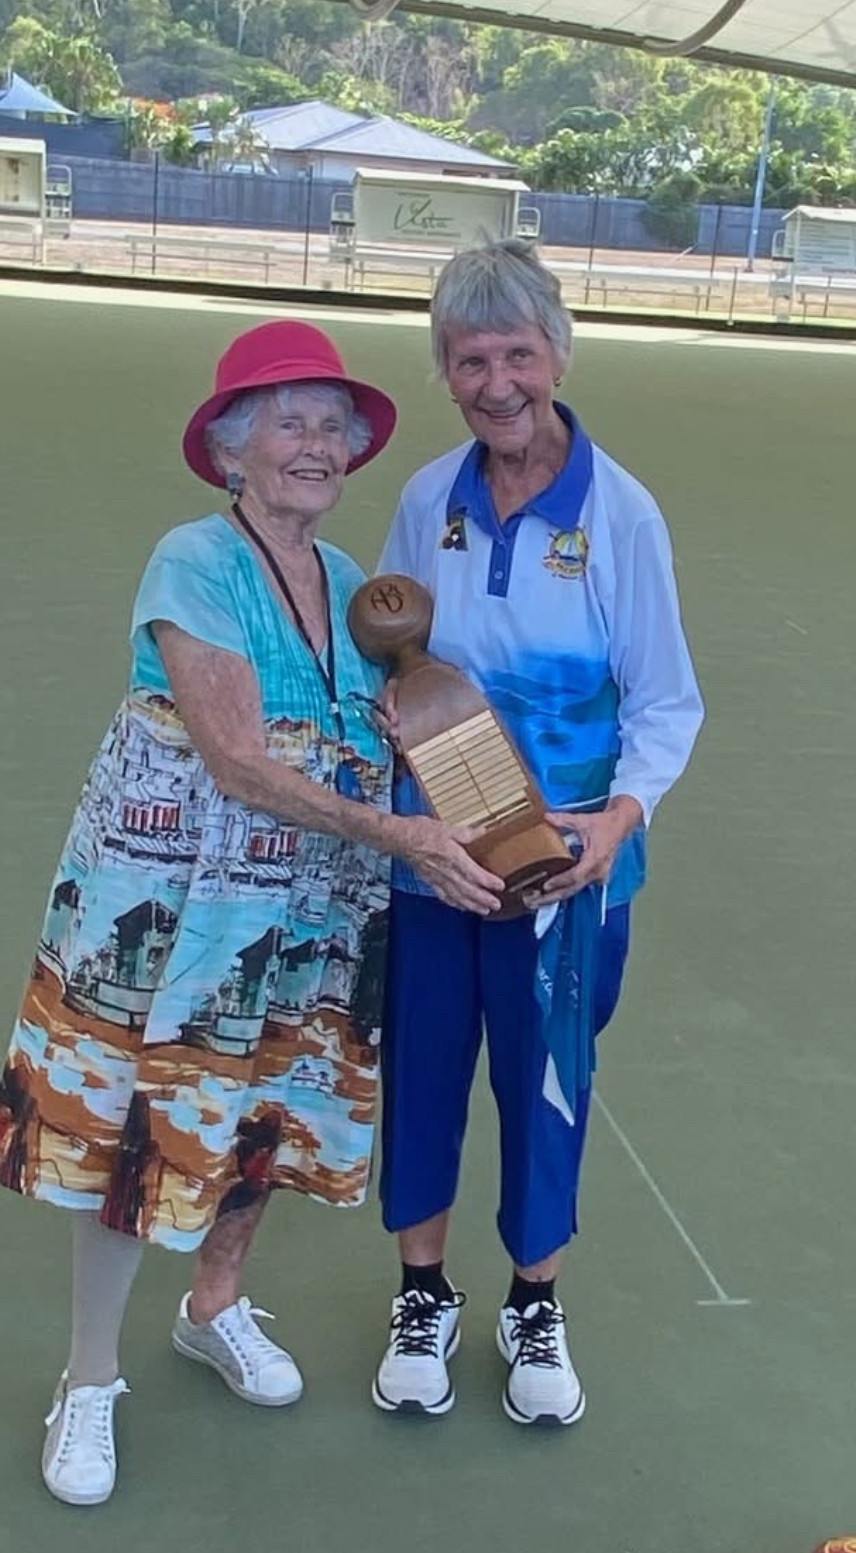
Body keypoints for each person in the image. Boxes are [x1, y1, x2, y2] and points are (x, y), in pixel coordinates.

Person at [0, 319, 502, 1507]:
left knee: (267, 1103)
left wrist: (437, 763)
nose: (317, 445)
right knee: (135, 1127)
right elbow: (236, 760)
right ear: (231, 448)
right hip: (179, 909)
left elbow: (370, 732)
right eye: (289, 423)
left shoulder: (352, 582)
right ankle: (90, 1376)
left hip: (306, 911)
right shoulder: (195, 561)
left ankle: (212, 1304)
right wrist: (406, 837)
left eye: (333, 425)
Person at [370, 240, 704, 1426]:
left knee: (545, 1084)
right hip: (434, 860)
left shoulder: (623, 514)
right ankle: (421, 1291)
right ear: (445, 372)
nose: (497, 382)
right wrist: (393, 728)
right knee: (421, 1074)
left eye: (517, 353)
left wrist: (619, 818)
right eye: (470, 360)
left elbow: (666, 701)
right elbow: (396, 661)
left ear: (559, 354)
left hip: (566, 872)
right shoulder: (428, 500)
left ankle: (533, 1301)